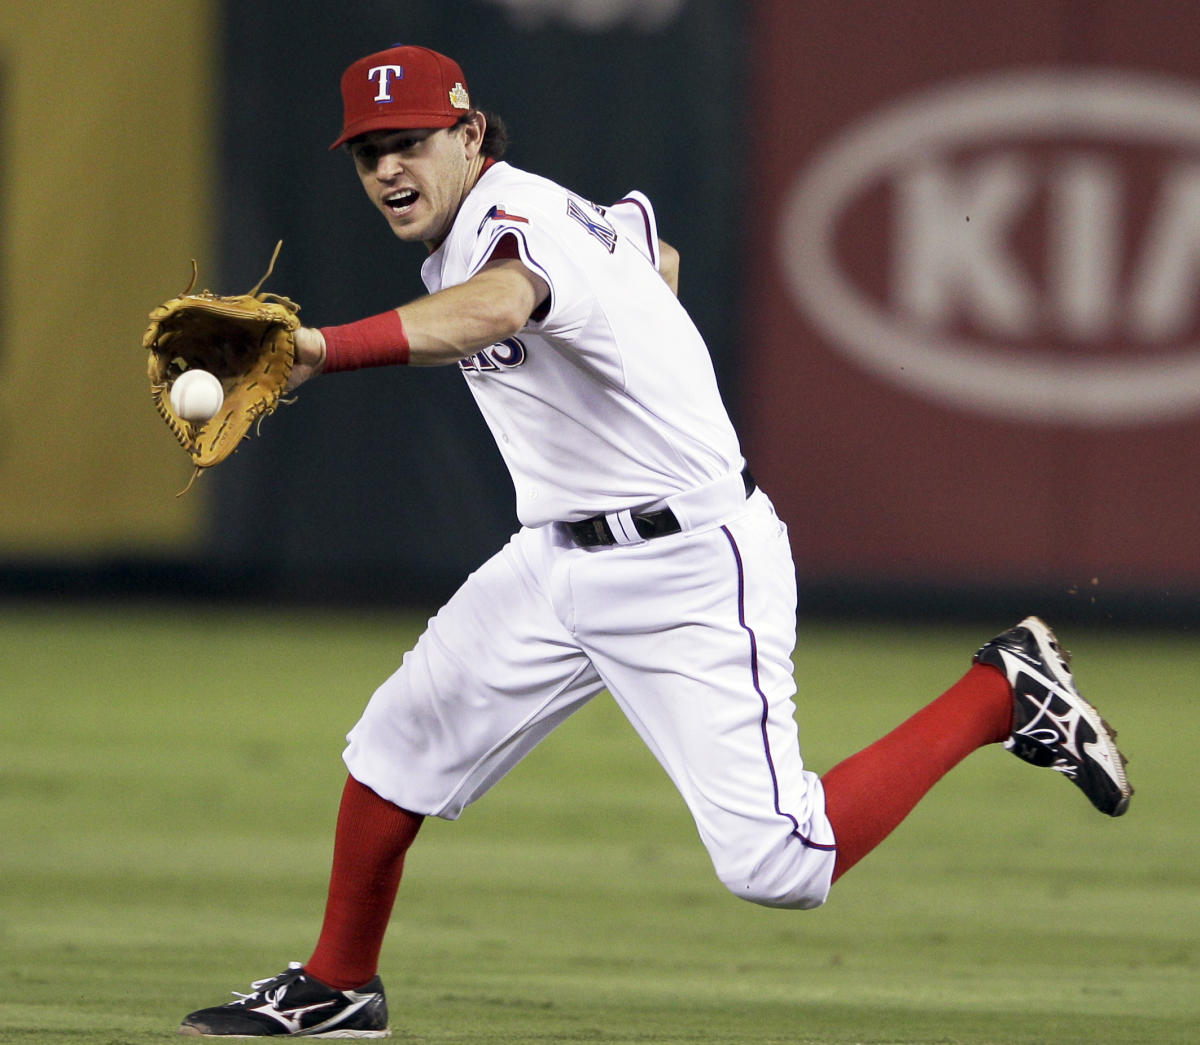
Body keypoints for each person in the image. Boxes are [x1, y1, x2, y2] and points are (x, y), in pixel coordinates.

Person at [177, 44, 1133, 1039]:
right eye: (368, 152)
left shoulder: (513, 222)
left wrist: (316, 350)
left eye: (409, 142)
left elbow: (498, 307)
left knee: (779, 865)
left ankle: (1003, 692)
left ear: (468, 135)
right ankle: (339, 987)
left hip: (686, 562)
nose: (387, 171)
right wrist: (640, 314)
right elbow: (647, 244)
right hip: (555, 559)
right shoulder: (526, 220)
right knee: (397, 742)